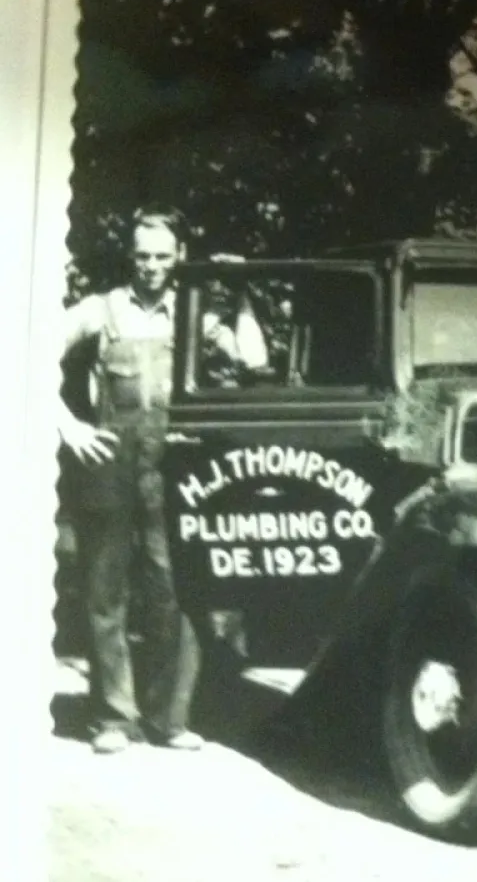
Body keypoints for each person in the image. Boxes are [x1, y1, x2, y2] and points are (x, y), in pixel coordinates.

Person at [57, 206, 267, 755]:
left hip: (175, 466)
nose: (151, 266)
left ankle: (169, 718)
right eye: (143, 255)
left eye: (162, 256)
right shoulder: (100, 310)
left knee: (176, 588)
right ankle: (112, 718)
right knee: (106, 590)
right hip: (109, 461)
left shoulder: (196, 315)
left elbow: (255, 358)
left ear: (180, 256)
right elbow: (23, 351)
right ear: (131, 256)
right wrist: (69, 427)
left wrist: (241, 293)